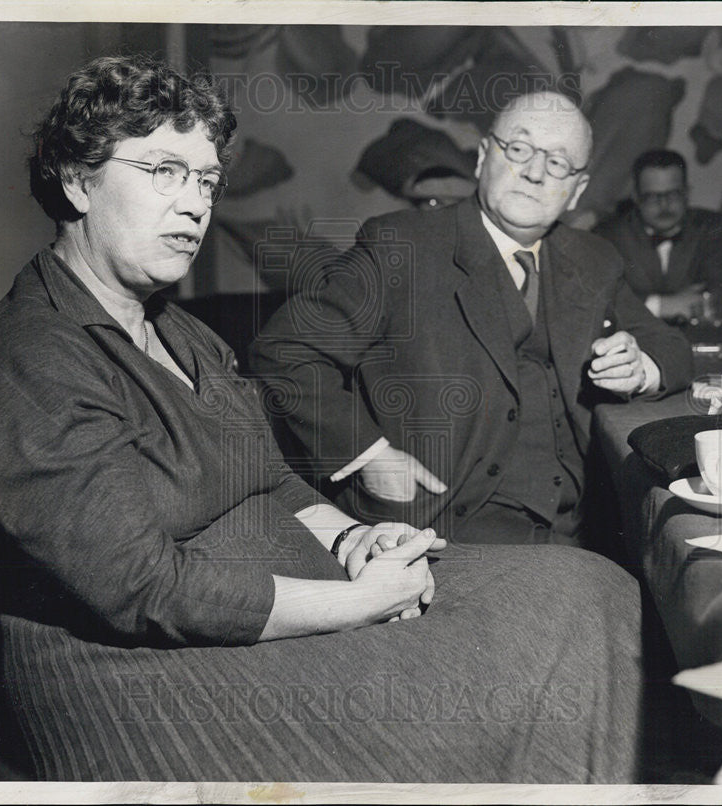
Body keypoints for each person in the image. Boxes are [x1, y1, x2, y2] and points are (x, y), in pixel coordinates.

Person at [0, 56, 643, 783]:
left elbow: (273, 482)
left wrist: (356, 534)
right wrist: (356, 602)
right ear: (79, 181)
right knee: (528, 667)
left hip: (278, 601)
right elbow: (143, 586)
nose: (195, 205)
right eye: (163, 171)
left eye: (206, 180)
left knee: (592, 587)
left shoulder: (178, 331)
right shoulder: (31, 359)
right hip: (148, 685)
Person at [251, 92, 693, 547]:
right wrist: (369, 456)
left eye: (559, 163)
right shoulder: (400, 245)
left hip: (582, 525)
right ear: (484, 157)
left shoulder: (593, 259)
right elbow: (287, 351)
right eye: (519, 149)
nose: (536, 173)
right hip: (443, 524)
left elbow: (670, 347)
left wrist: (643, 369)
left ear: (577, 190)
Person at [593, 149, 722, 321]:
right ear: (636, 197)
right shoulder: (608, 234)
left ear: (687, 193)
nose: (664, 205)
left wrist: (643, 303)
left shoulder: (711, 227)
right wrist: (663, 305)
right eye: (652, 197)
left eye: (673, 194)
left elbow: (716, 298)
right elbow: (601, 301)